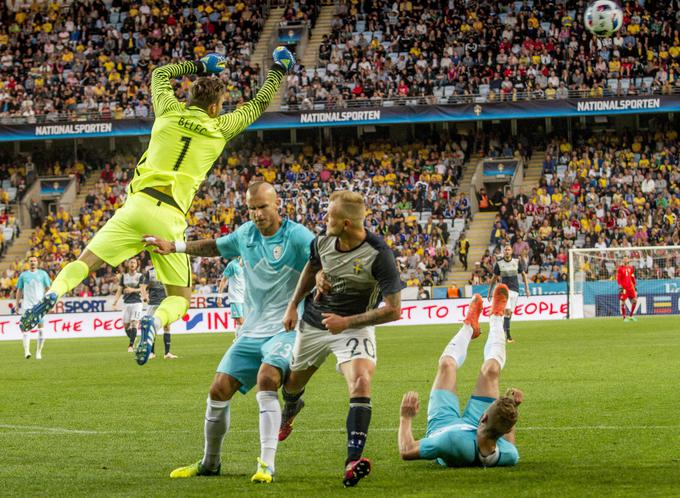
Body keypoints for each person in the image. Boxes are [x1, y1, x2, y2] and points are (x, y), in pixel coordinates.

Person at [19, 47, 296, 367]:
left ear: (191, 97)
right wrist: (278, 68)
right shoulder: (221, 126)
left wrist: (199, 64)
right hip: (169, 216)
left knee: (86, 261)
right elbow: (260, 102)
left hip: (136, 205)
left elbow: (160, 74)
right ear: (216, 106)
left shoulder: (168, 110)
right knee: (180, 299)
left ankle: (53, 293)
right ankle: (154, 321)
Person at [146, 182, 314, 483]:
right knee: (218, 389)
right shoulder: (245, 235)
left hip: (287, 328)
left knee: (267, 378)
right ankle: (210, 463)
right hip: (251, 329)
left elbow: (321, 259)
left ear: (276, 204)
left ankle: (266, 464)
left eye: (262, 207)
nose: (257, 213)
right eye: (251, 207)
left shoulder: (297, 236)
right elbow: (214, 246)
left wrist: (319, 284)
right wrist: (175, 247)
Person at [279, 191, 403, 488]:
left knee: (361, 382)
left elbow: (394, 310)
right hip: (314, 322)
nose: (324, 220)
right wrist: (293, 304)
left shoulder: (379, 254)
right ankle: (292, 408)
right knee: (292, 384)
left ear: (346, 223)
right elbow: (312, 268)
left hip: (353, 325)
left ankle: (353, 461)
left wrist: (346, 322)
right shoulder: (321, 241)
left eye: (330, 216)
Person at [398, 288, 522, 467]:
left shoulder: (450, 441)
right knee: (492, 370)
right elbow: (509, 445)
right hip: (477, 427)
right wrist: (512, 409)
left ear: (484, 417)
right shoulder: (508, 455)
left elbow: (407, 450)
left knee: (447, 365)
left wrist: (406, 417)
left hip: (444, 423)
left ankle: (469, 327)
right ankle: (497, 317)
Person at [487, 244, 530, 343]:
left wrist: (527, 289)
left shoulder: (516, 262)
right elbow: (494, 279)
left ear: (511, 251)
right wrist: (489, 292)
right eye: (505, 250)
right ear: (504, 252)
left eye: (508, 250)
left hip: (515, 290)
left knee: (510, 313)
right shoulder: (499, 263)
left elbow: (523, 275)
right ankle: (508, 337)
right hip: (504, 291)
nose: (507, 251)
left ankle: (502, 332)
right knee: (507, 311)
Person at [15, 256, 51, 359]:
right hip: (27, 305)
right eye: (31, 261)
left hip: (40, 305)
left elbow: (49, 288)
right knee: (26, 328)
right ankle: (27, 352)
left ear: (37, 262)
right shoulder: (23, 275)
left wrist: (49, 303)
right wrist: (17, 304)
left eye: (34, 261)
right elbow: (19, 290)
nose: (33, 262)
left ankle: (38, 352)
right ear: (28, 263)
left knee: (41, 329)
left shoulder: (43, 274)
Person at [143, 265, 178, 359]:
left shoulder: (168, 271)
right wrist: (144, 296)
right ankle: (151, 352)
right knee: (151, 327)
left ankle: (167, 353)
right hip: (153, 303)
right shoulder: (150, 272)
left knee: (167, 326)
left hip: (165, 303)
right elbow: (143, 286)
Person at [112, 258, 145, 352]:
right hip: (126, 303)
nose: (132, 264)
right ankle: (135, 340)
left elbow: (143, 289)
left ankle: (130, 346)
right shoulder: (124, 276)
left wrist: (133, 290)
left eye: (134, 262)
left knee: (134, 323)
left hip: (137, 302)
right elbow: (119, 290)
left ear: (137, 265)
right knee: (126, 326)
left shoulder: (140, 276)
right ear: (128, 264)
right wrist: (114, 302)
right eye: (131, 262)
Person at [218, 257, 246, 336]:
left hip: (245, 298)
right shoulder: (232, 265)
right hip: (236, 297)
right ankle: (240, 341)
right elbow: (223, 280)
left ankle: (237, 341)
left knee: (240, 323)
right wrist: (219, 296)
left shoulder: (247, 264)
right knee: (241, 321)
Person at [617, 255, 638, 322]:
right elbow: (618, 278)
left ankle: (631, 316)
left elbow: (632, 277)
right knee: (623, 302)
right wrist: (620, 286)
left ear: (628, 260)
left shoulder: (631, 268)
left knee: (635, 300)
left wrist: (634, 285)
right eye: (624, 259)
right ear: (623, 260)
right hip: (624, 288)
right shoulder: (620, 269)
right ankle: (624, 317)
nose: (625, 260)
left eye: (626, 259)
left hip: (630, 288)